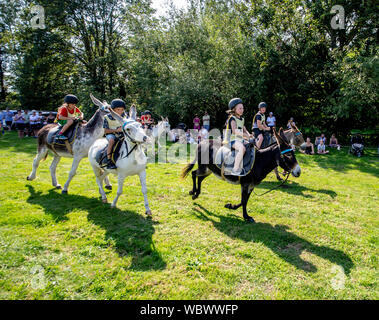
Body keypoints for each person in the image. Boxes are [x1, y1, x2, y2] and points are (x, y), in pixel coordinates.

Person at [223, 98, 252, 176]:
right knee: (242, 148)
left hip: (240, 140)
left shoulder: (242, 119)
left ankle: (246, 166)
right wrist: (245, 136)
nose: (242, 110)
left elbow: (245, 130)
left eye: (242, 108)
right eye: (240, 108)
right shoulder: (232, 119)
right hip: (231, 140)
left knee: (251, 146)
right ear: (234, 109)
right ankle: (235, 170)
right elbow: (235, 131)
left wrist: (249, 135)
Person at [103, 99, 128, 169]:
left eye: (122, 110)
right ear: (113, 110)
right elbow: (105, 131)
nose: (120, 112)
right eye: (118, 109)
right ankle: (109, 160)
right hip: (111, 134)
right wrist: (116, 130)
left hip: (123, 134)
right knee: (111, 140)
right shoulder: (107, 117)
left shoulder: (125, 116)